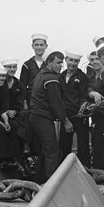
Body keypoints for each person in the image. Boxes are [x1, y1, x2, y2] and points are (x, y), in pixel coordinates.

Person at [28, 51, 73, 182]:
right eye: (58, 63)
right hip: (42, 118)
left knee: (45, 151)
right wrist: (66, 121)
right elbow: (56, 102)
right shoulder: (51, 78)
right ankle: (52, 183)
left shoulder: (41, 75)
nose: (61, 66)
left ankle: (40, 180)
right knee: (52, 151)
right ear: (49, 62)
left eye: (61, 63)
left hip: (36, 117)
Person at [59, 50, 91, 166]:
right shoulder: (61, 76)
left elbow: (84, 96)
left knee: (83, 146)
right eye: (71, 60)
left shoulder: (82, 77)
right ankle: (65, 170)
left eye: (76, 61)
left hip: (79, 115)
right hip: (65, 116)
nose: (73, 63)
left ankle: (85, 169)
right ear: (66, 60)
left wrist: (83, 109)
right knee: (64, 145)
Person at [0, 66, 24, 173]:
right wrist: (2, 124)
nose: (1, 78)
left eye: (3, 76)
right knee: (0, 129)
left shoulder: (4, 87)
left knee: (15, 127)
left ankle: (17, 160)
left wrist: (6, 121)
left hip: (0, 115)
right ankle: (5, 159)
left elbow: (3, 108)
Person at [86, 50, 104, 170]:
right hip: (98, 115)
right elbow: (87, 89)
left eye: (97, 59)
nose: (95, 62)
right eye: (92, 60)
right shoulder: (91, 76)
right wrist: (93, 93)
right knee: (97, 141)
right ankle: (100, 170)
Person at [20, 33, 49, 107]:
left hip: (47, 99)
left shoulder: (50, 64)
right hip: (31, 100)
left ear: (46, 46)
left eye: (41, 45)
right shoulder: (27, 65)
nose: (39, 47)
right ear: (32, 46)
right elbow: (22, 86)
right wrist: (24, 102)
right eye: (36, 45)